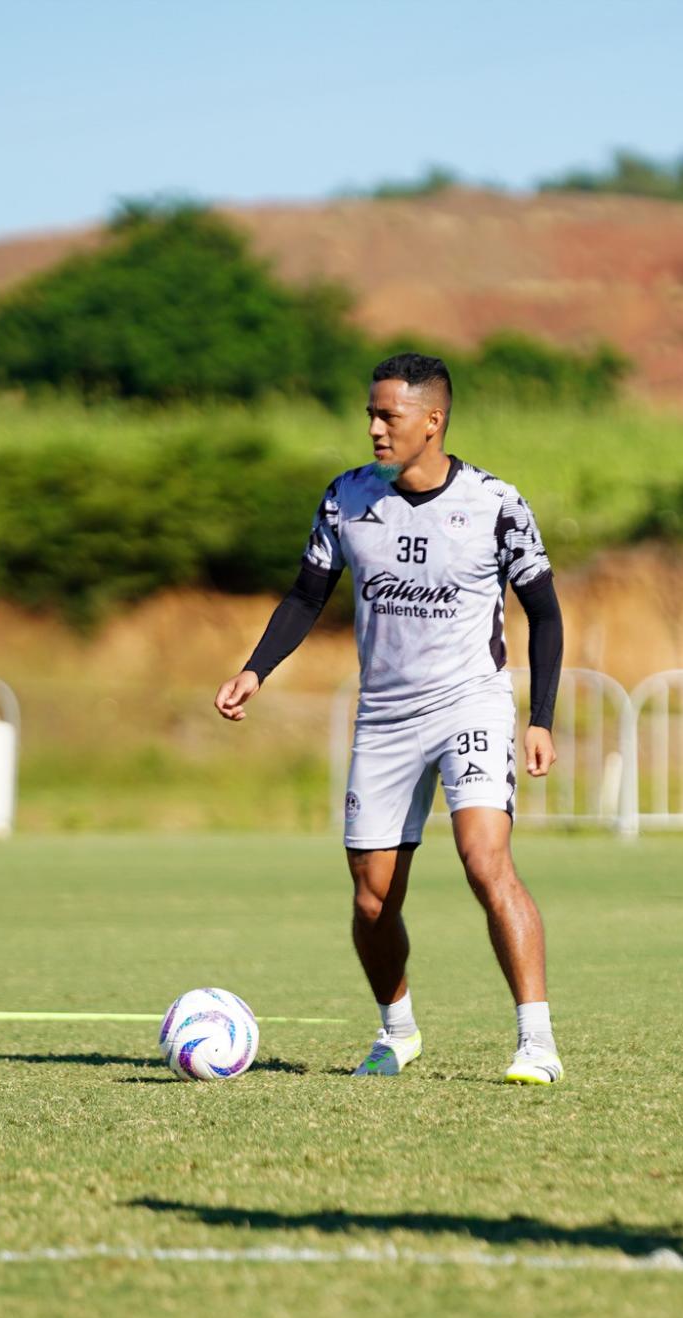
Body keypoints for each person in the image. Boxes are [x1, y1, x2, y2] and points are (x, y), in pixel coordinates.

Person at [215, 352, 567, 1084]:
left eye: (389, 416)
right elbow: (306, 595)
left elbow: (543, 608)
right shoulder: (346, 499)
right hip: (384, 718)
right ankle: (397, 1030)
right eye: (371, 414)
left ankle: (537, 1042)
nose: (375, 427)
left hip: (471, 702)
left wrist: (542, 717)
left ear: (432, 421)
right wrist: (255, 668)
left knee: (484, 858)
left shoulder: (496, 502)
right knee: (373, 898)